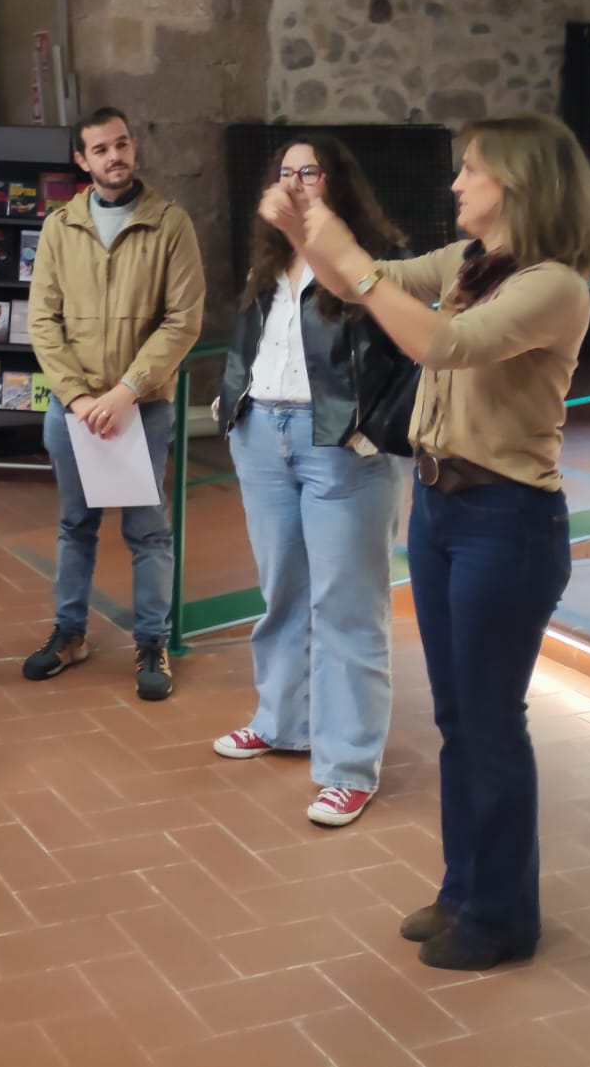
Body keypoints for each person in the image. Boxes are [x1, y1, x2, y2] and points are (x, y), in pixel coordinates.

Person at [289, 113, 590, 972]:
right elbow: (368, 283)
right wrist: (305, 229)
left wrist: (345, 253)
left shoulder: (554, 286)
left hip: (508, 520)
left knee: (493, 719)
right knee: (459, 716)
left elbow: (442, 342)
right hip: (439, 512)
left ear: (519, 183)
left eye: (472, 169)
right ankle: (465, 886)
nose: (456, 183)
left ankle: (504, 917)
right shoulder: (470, 264)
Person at [215, 135, 403, 828]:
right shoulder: (271, 259)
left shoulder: (368, 260)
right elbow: (252, 339)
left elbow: (410, 351)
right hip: (263, 433)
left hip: (341, 446)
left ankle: (349, 767)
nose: (295, 183)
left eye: (309, 172)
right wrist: (231, 403)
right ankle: (281, 720)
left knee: (348, 607)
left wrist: (371, 426)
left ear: (335, 182)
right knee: (283, 592)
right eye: (286, 172)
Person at [24, 107, 206, 701]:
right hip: (73, 411)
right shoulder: (60, 227)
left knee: (147, 531)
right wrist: (78, 399)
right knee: (75, 525)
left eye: (122, 144)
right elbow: (42, 320)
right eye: (100, 149)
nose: (114, 157)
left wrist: (127, 391)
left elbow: (183, 321)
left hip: (142, 407)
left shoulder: (170, 223)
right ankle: (70, 633)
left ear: (134, 147)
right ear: (82, 160)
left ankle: (152, 641)